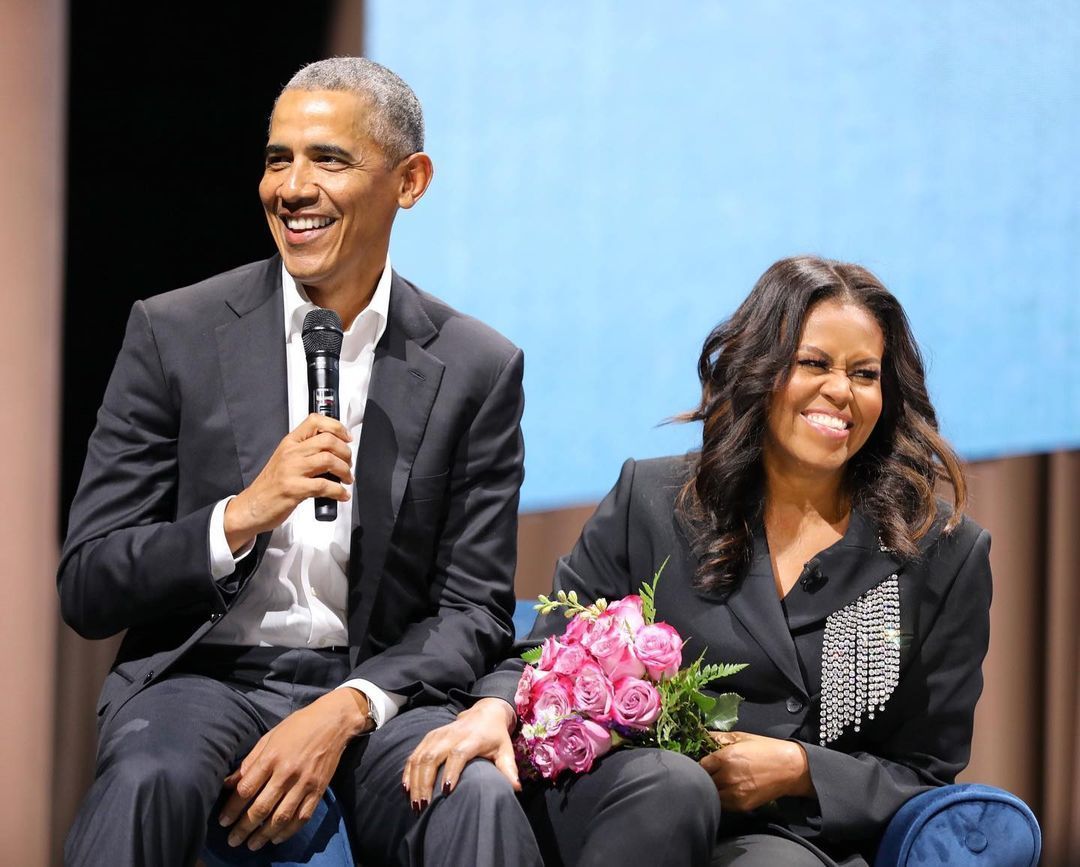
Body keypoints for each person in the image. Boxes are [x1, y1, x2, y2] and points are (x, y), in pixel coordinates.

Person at [59, 57, 524, 865]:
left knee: (473, 794)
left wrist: (349, 704)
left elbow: (475, 608)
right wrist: (239, 516)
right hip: (206, 677)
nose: (291, 187)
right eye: (279, 159)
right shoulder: (175, 333)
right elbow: (90, 580)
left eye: (328, 160)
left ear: (409, 182)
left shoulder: (478, 366)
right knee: (148, 775)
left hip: (382, 693)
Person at [401, 255, 991, 866]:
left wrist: (800, 769)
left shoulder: (944, 554)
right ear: (759, 369)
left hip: (786, 834)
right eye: (813, 363)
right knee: (670, 788)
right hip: (630, 796)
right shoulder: (653, 500)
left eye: (864, 374)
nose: (840, 391)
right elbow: (544, 650)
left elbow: (924, 768)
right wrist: (492, 706)